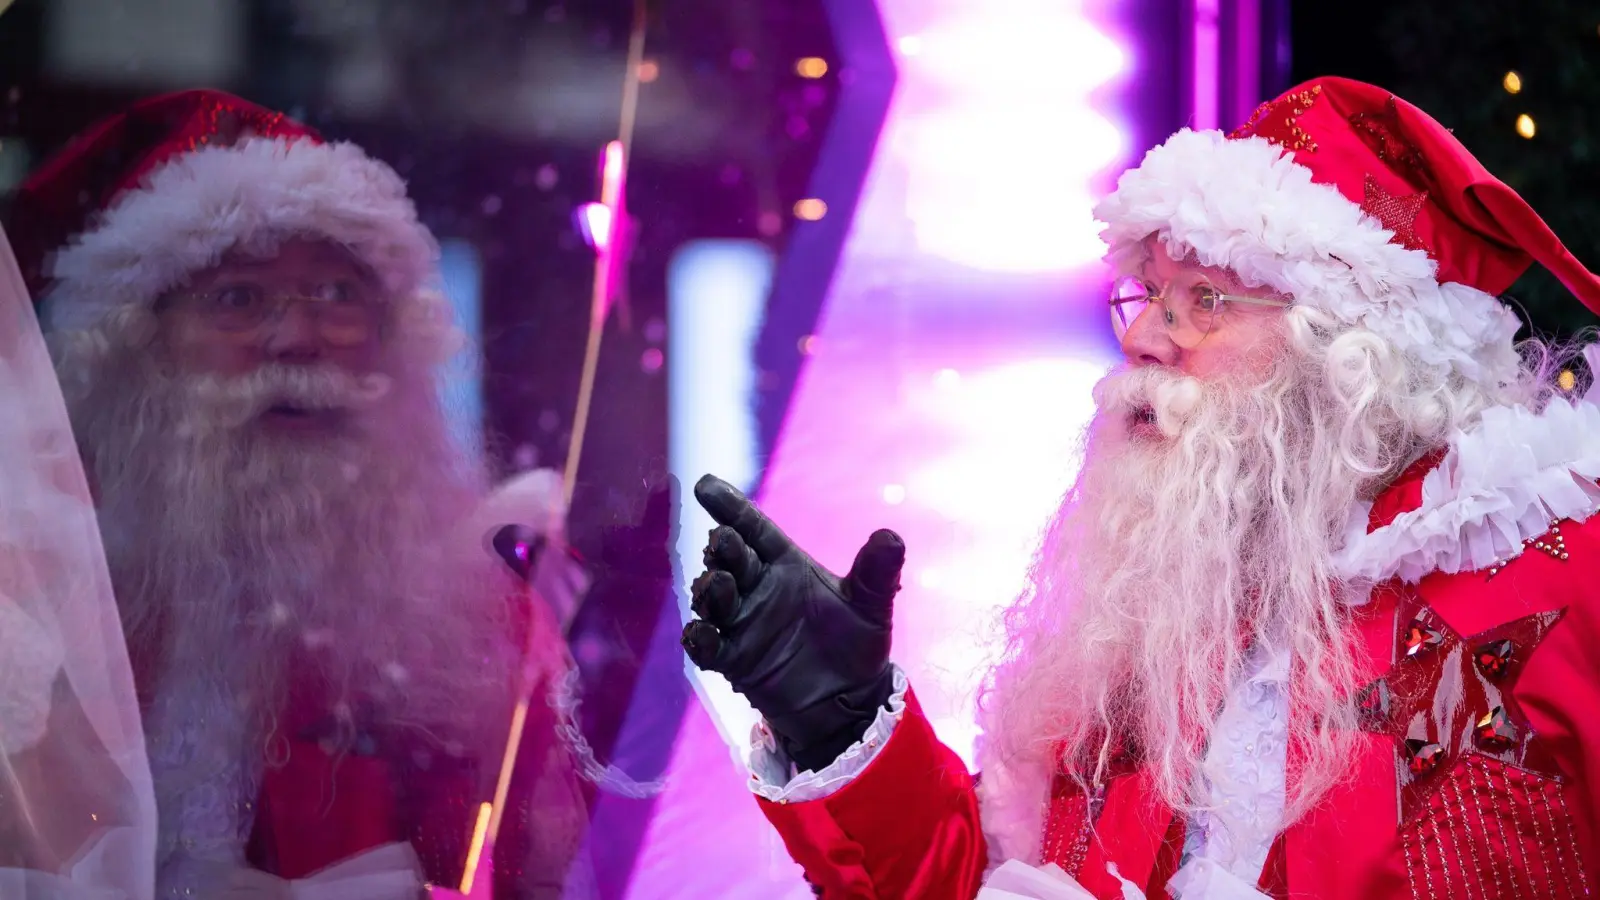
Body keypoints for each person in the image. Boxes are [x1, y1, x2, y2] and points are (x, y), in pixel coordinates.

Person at [681, 75, 1600, 898]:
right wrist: (841, 731)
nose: (1145, 338)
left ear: (1356, 353)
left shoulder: (1562, 578)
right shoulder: (1153, 622)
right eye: (1150, 293)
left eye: (1205, 298)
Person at [6, 89, 591, 899]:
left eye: (337, 295)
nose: (297, 338)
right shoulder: (34, 599)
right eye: (238, 298)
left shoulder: (481, 622)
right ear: (137, 347)